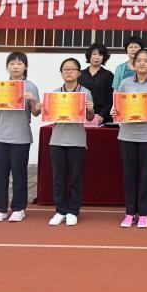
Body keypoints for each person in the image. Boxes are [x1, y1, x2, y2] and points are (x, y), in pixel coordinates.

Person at [0, 51, 39, 223]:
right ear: (7, 67)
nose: (15, 67)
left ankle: (19, 208)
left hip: (21, 138)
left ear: (25, 67)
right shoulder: (0, 87)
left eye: (19, 63)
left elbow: (36, 113)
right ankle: (1, 209)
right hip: (0, 137)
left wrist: (33, 101)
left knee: (19, 175)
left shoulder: (31, 86)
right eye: (12, 64)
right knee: (0, 175)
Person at [111, 49, 147, 229]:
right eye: (139, 60)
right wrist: (114, 111)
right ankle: (129, 212)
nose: (142, 63)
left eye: (146, 60)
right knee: (129, 175)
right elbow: (117, 106)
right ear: (133, 64)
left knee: (146, 175)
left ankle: (143, 213)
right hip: (127, 135)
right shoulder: (125, 83)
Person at [42, 58, 94, 227]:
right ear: (61, 73)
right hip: (57, 140)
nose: (69, 72)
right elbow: (50, 116)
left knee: (75, 179)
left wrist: (90, 110)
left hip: (77, 141)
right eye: (65, 69)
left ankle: (73, 211)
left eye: (73, 69)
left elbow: (89, 118)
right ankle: (60, 210)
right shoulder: (55, 94)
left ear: (79, 73)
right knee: (58, 179)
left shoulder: (85, 93)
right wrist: (46, 108)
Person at [78, 43, 114, 126]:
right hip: (83, 115)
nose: (97, 57)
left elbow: (110, 98)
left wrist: (102, 115)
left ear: (104, 57)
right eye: (94, 54)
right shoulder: (80, 74)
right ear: (89, 56)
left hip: (102, 117)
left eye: (100, 55)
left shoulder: (109, 75)